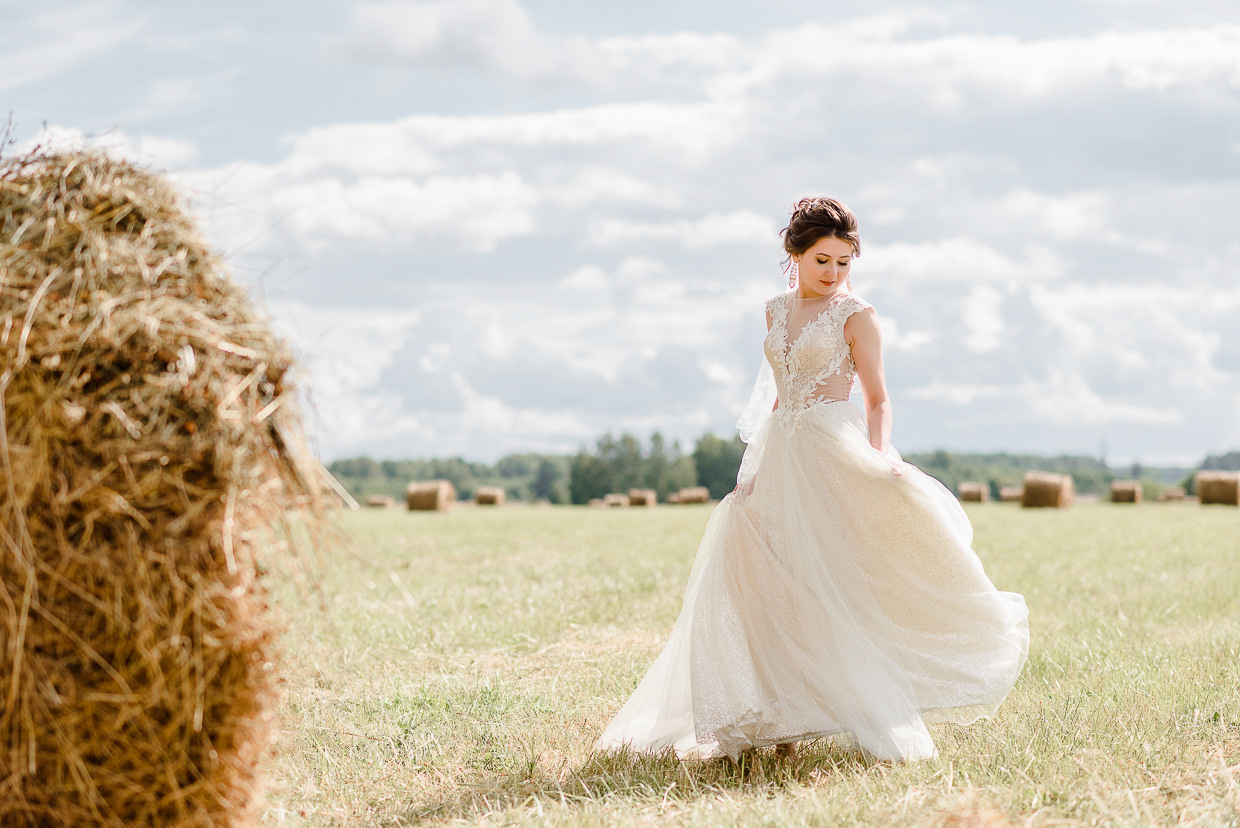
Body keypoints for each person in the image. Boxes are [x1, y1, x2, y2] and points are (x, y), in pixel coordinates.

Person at [595, 197, 1029, 762]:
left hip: (832, 450)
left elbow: (877, 398)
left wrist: (878, 459)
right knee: (766, 586)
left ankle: (837, 707)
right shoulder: (774, 311)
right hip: (780, 453)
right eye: (823, 260)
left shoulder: (857, 316)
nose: (833, 273)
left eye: (845, 262)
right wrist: (751, 466)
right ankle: (773, 721)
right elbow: (778, 393)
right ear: (793, 254)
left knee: (829, 585)